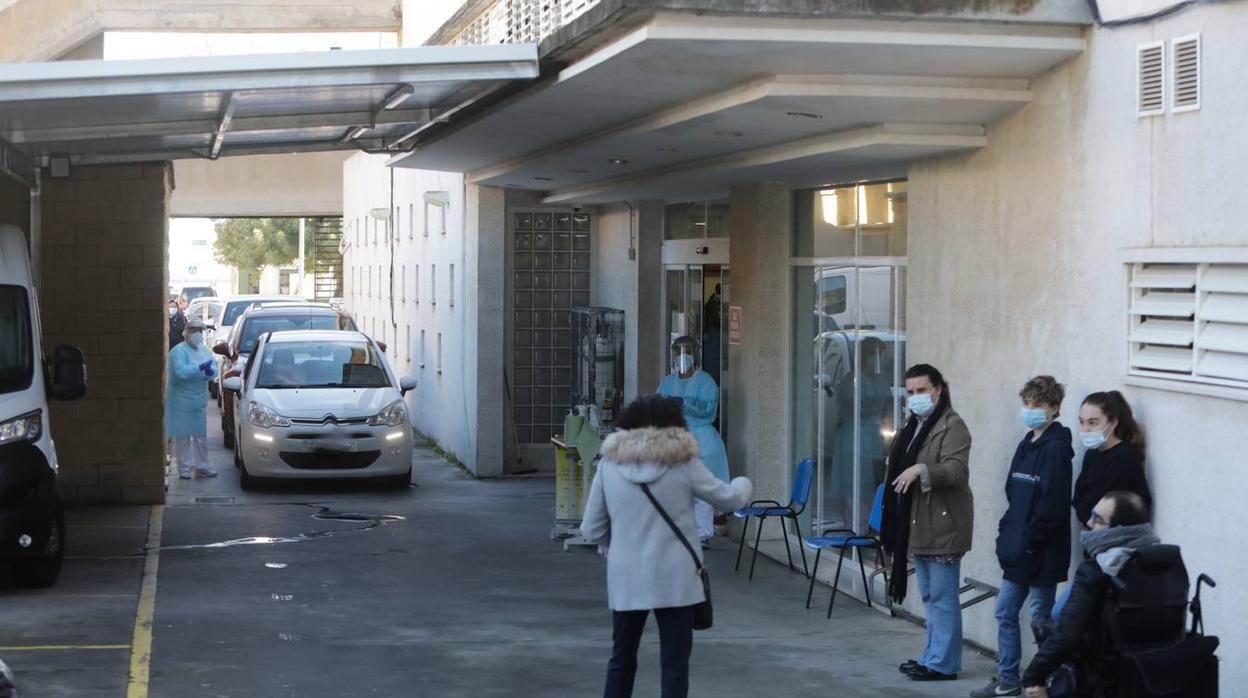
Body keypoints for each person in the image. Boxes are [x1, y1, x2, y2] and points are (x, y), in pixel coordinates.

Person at [580, 394, 752, 698]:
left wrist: (613, 545)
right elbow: (728, 499)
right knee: (674, 664)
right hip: (676, 580)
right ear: (674, 425)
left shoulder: (609, 466)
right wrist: (743, 484)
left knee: (621, 659)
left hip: (627, 577)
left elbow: (591, 528)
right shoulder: (683, 463)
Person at [973, 376, 1074, 698]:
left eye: (1038, 405)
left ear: (1054, 408)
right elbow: (1012, 491)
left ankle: (1045, 682)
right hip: (1019, 546)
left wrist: (1031, 540)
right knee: (1005, 612)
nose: (1030, 410)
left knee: (1040, 620)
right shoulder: (1027, 442)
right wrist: (1007, 531)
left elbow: (1052, 504)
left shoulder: (1056, 448)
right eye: (1027, 404)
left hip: (1041, 549)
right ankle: (1008, 680)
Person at [882, 363, 974, 682]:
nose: (915, 396)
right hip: (919, 522)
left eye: (921, 390)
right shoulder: (914, 424)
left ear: (937, 389)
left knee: (943, 597)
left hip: (944, 523)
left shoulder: (952, 425)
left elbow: (958, 470)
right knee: (930, 597)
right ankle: (932, 656)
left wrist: (923, 470)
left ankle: (944, 664)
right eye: (910, 392)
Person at [1022, 491, 1158, 698]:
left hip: (1100, 681)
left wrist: (1033, 677)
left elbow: (1067, 634)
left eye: (1097, 520)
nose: (1088, 523)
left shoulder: (1096, 572)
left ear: (1119, 530)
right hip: (1150, 678)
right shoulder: (1162, 563)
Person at [657, 336, 729, 546]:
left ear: (696, 355)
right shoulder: (668, 382)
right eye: (679, 352)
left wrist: (687, 404)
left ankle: (703, 533)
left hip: (702, 439)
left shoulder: (705, 381)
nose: (683, 356)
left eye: (688, 352)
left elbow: (707, 408)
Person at [1071, 392, 1150, 528]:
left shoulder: (1124, 458)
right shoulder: (1092, 454)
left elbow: (1111, 509)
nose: (1086, 429)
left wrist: (1092, 515)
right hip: (1095, 536)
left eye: (1093, 423)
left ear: (1113, 423)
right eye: (1082, 422)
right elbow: (1078, 498)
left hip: (1115, 539)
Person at [166, 318, 218, 479]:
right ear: (187, 333)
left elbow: (213, 365)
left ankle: (202, 466)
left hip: (199, 400)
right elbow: (181, 372)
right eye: (194, 331)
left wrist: (211, 372)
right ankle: (185, 469)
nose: (197, 335)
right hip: (181, 399)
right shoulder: (177, 352)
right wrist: (199, 368)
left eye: (200, 331)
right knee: (183, 436)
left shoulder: (203, 350)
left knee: (200, 435)